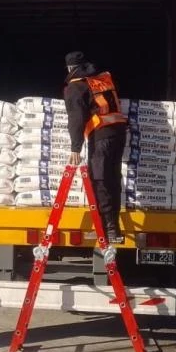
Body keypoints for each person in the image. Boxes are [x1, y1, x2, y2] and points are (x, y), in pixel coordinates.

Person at [63, 51, 128, 244]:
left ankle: (107, 229)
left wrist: (75, 147)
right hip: (118, 133)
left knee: (100, 180)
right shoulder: (102, 79)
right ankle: (112, 228)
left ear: (69, 68)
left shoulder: (76, 87)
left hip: (101, 136)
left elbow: (76, 119)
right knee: (112, 179)